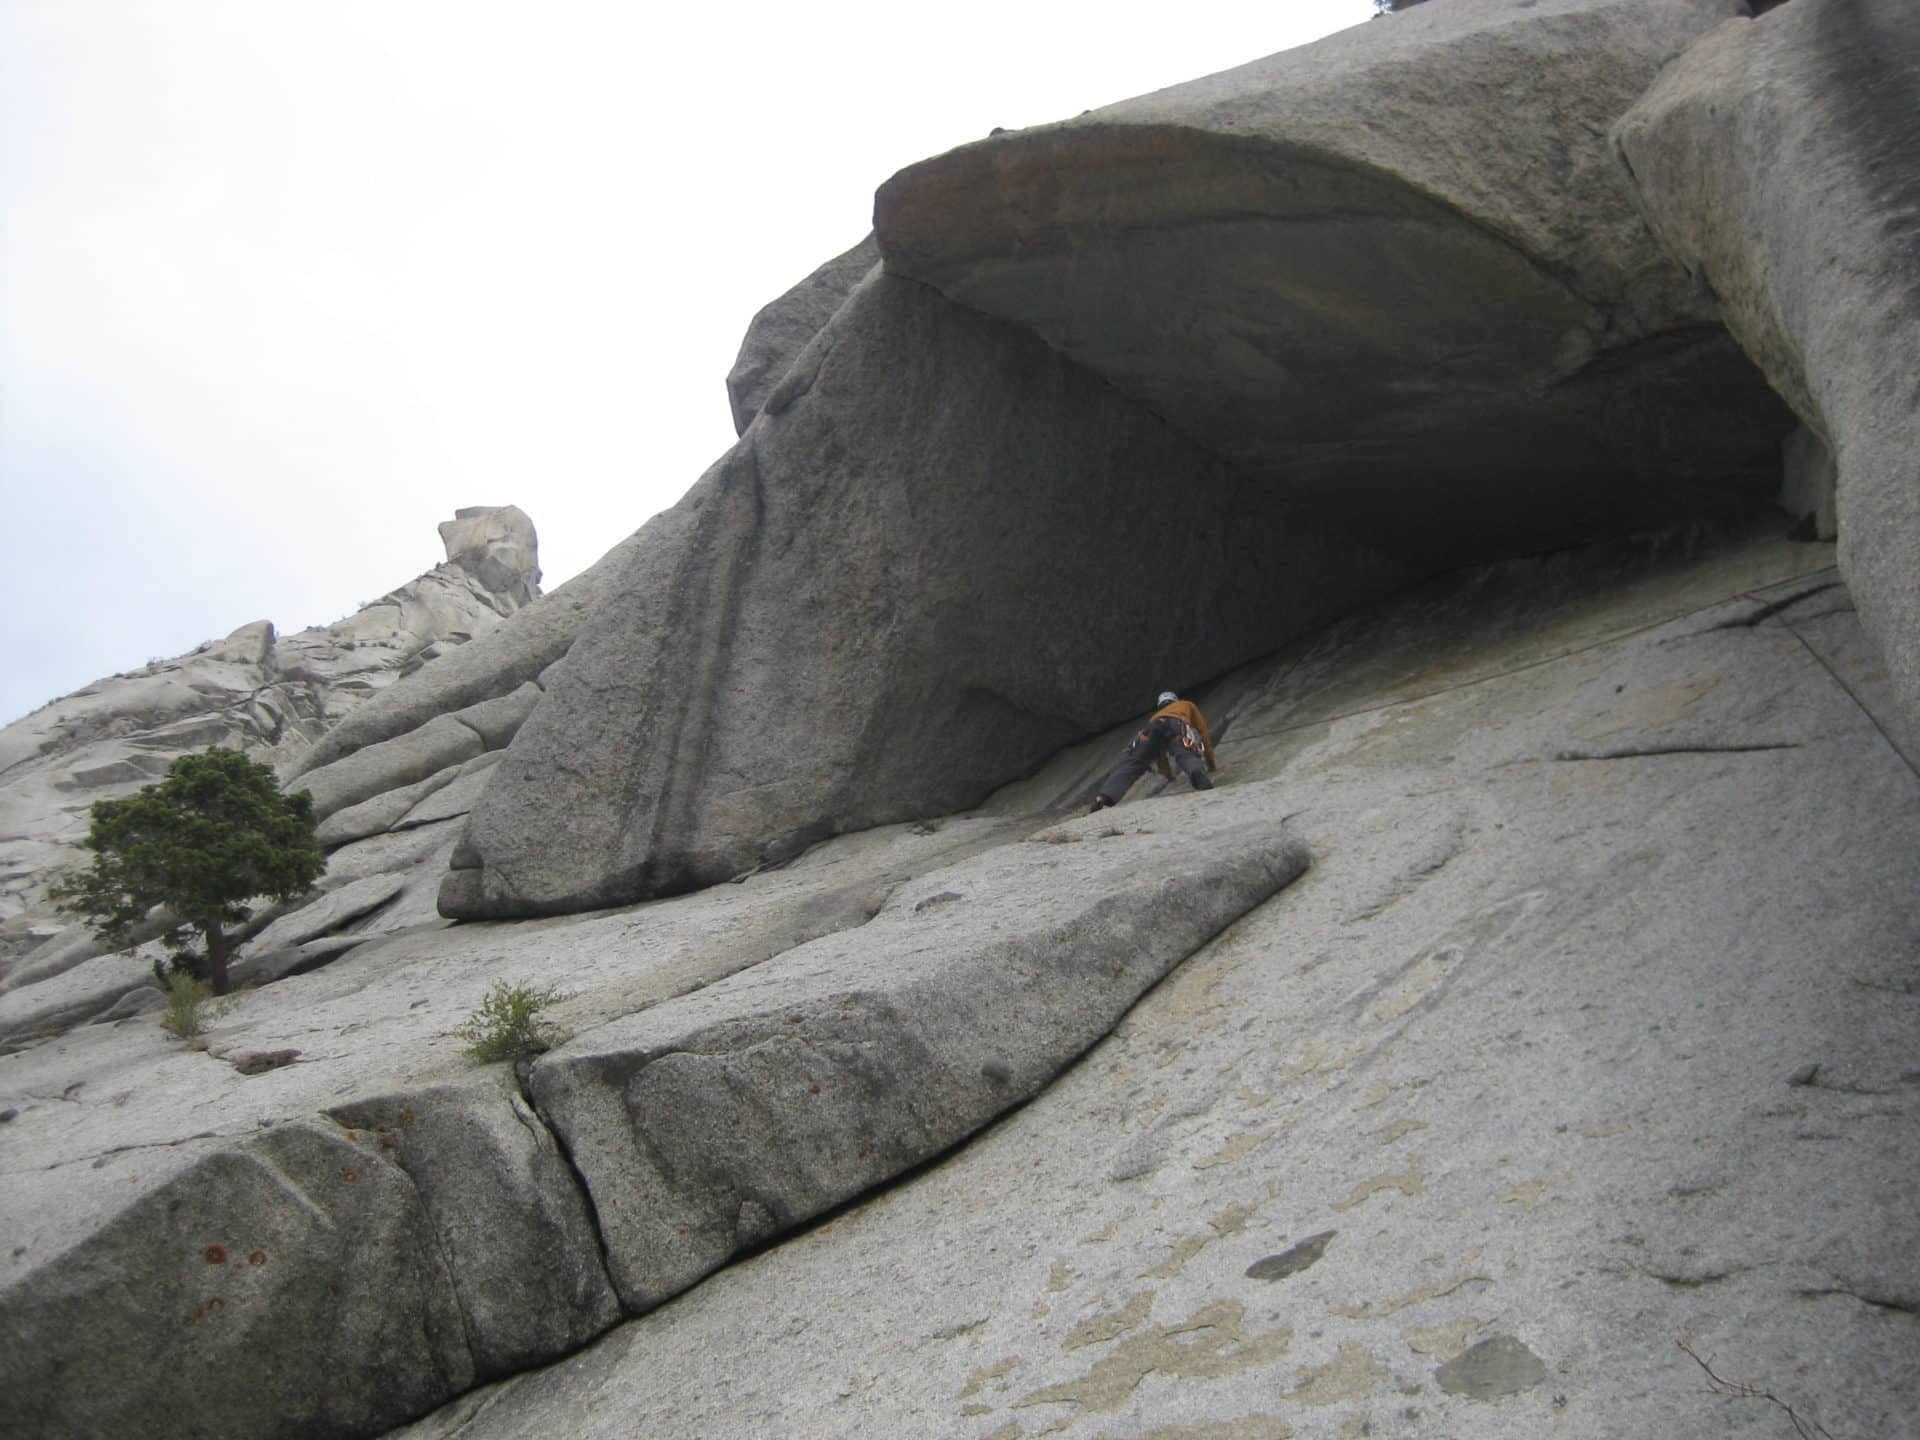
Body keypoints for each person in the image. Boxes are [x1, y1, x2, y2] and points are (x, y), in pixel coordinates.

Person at [1090, 691, 1216, 812]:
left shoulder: (1157, 716)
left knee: (1134, 764)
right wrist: (1210, 763)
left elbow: (1159, 754)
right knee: (1184, 752)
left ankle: (1103, 797)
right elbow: (1203, 731)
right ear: (1175, 700)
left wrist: (1169, 776)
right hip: (1176, 723)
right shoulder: (1186, 704)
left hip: (1151, 728)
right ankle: (1197, 773)